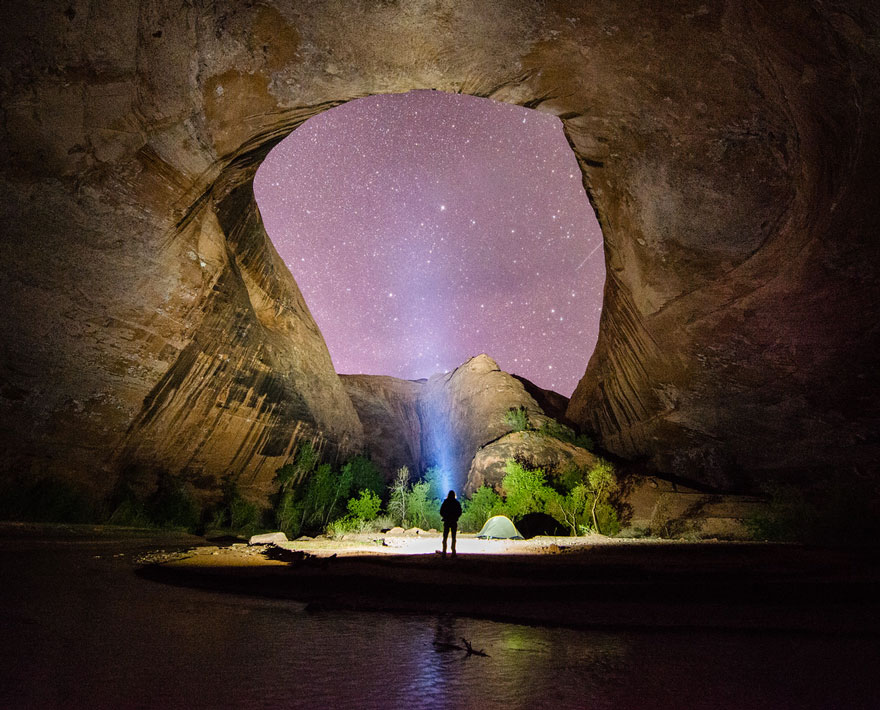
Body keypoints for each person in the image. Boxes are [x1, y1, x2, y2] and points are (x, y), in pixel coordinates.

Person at [439, 490, 462, 558]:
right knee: (453, 537)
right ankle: (453, 552)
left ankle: (444, 552)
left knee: (445, 537)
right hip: (454, 521)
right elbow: (459, 511)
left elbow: (441, 511)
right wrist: (456, 517)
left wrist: (445, 516)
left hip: (447, 521)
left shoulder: (446, 502)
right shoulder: (456, 502)